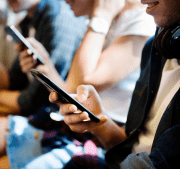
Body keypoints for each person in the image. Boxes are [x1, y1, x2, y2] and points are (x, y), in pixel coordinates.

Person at [0, 0, 87, 168]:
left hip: (54, 123)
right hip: (42, 116)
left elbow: (32, 102)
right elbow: (13, 81)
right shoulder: (30, 19)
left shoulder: (59, 17)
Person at [49, 0, 180, 168]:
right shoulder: (156, 47)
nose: (143, 1)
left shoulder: (139, 25)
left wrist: (100, 18)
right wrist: (98, 122)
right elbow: (131, 147)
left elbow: (80, 81)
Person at [17, 0, 156, 124]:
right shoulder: (102, 21)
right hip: (80, 129)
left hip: (105, 136)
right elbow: (73, 93)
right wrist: (44, 66)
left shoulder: (141, 21)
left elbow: (81, 84)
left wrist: (101, 17)